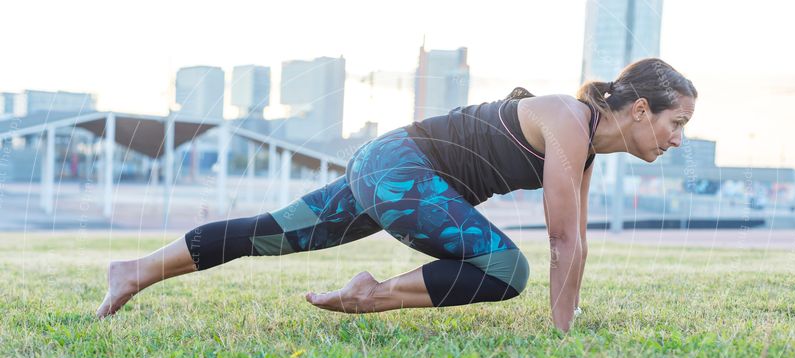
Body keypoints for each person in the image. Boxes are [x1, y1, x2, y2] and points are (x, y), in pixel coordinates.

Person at [96, 57, 696, 331]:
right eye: (677, 124)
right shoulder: (568, 119)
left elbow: (579, 245)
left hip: (386, 167)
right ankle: (370, 296)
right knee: (505, 268)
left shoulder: (584, 142)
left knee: (272, 231)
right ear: (641, 110)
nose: (677, 139)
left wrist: (567, 321)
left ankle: (134, 270)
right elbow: (561, 240)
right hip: (400, 170)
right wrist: (562, 335)